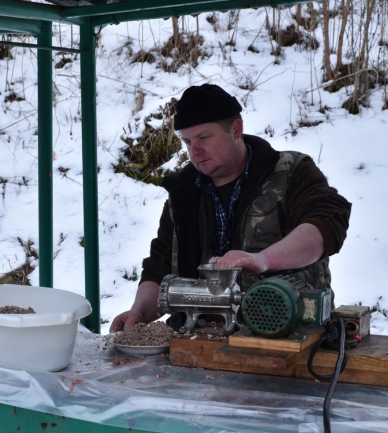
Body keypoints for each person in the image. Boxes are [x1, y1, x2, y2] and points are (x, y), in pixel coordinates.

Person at [112, 83, 351, 331]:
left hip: (288, 338)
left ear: (236, 129)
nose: (195, 150)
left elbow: (325, 226)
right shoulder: (182, 192)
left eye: (204, 137)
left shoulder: (291, 171)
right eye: (187, 142)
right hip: (201, 342)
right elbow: (159, 269)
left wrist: (262, 260)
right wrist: (139, 311)